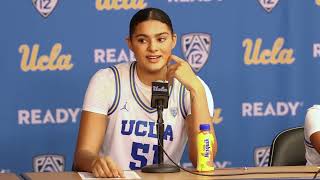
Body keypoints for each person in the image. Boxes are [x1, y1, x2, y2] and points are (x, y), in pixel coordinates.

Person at [73, 7, 217, 178]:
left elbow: (204, 160)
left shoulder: (193, 87)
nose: (153, 48)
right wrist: (95, 162)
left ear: (173, 40)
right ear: (130, 44)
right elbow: (82, 155)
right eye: (142, 40)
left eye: (161, 39)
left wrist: (197, 90)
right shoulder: (107, 81)